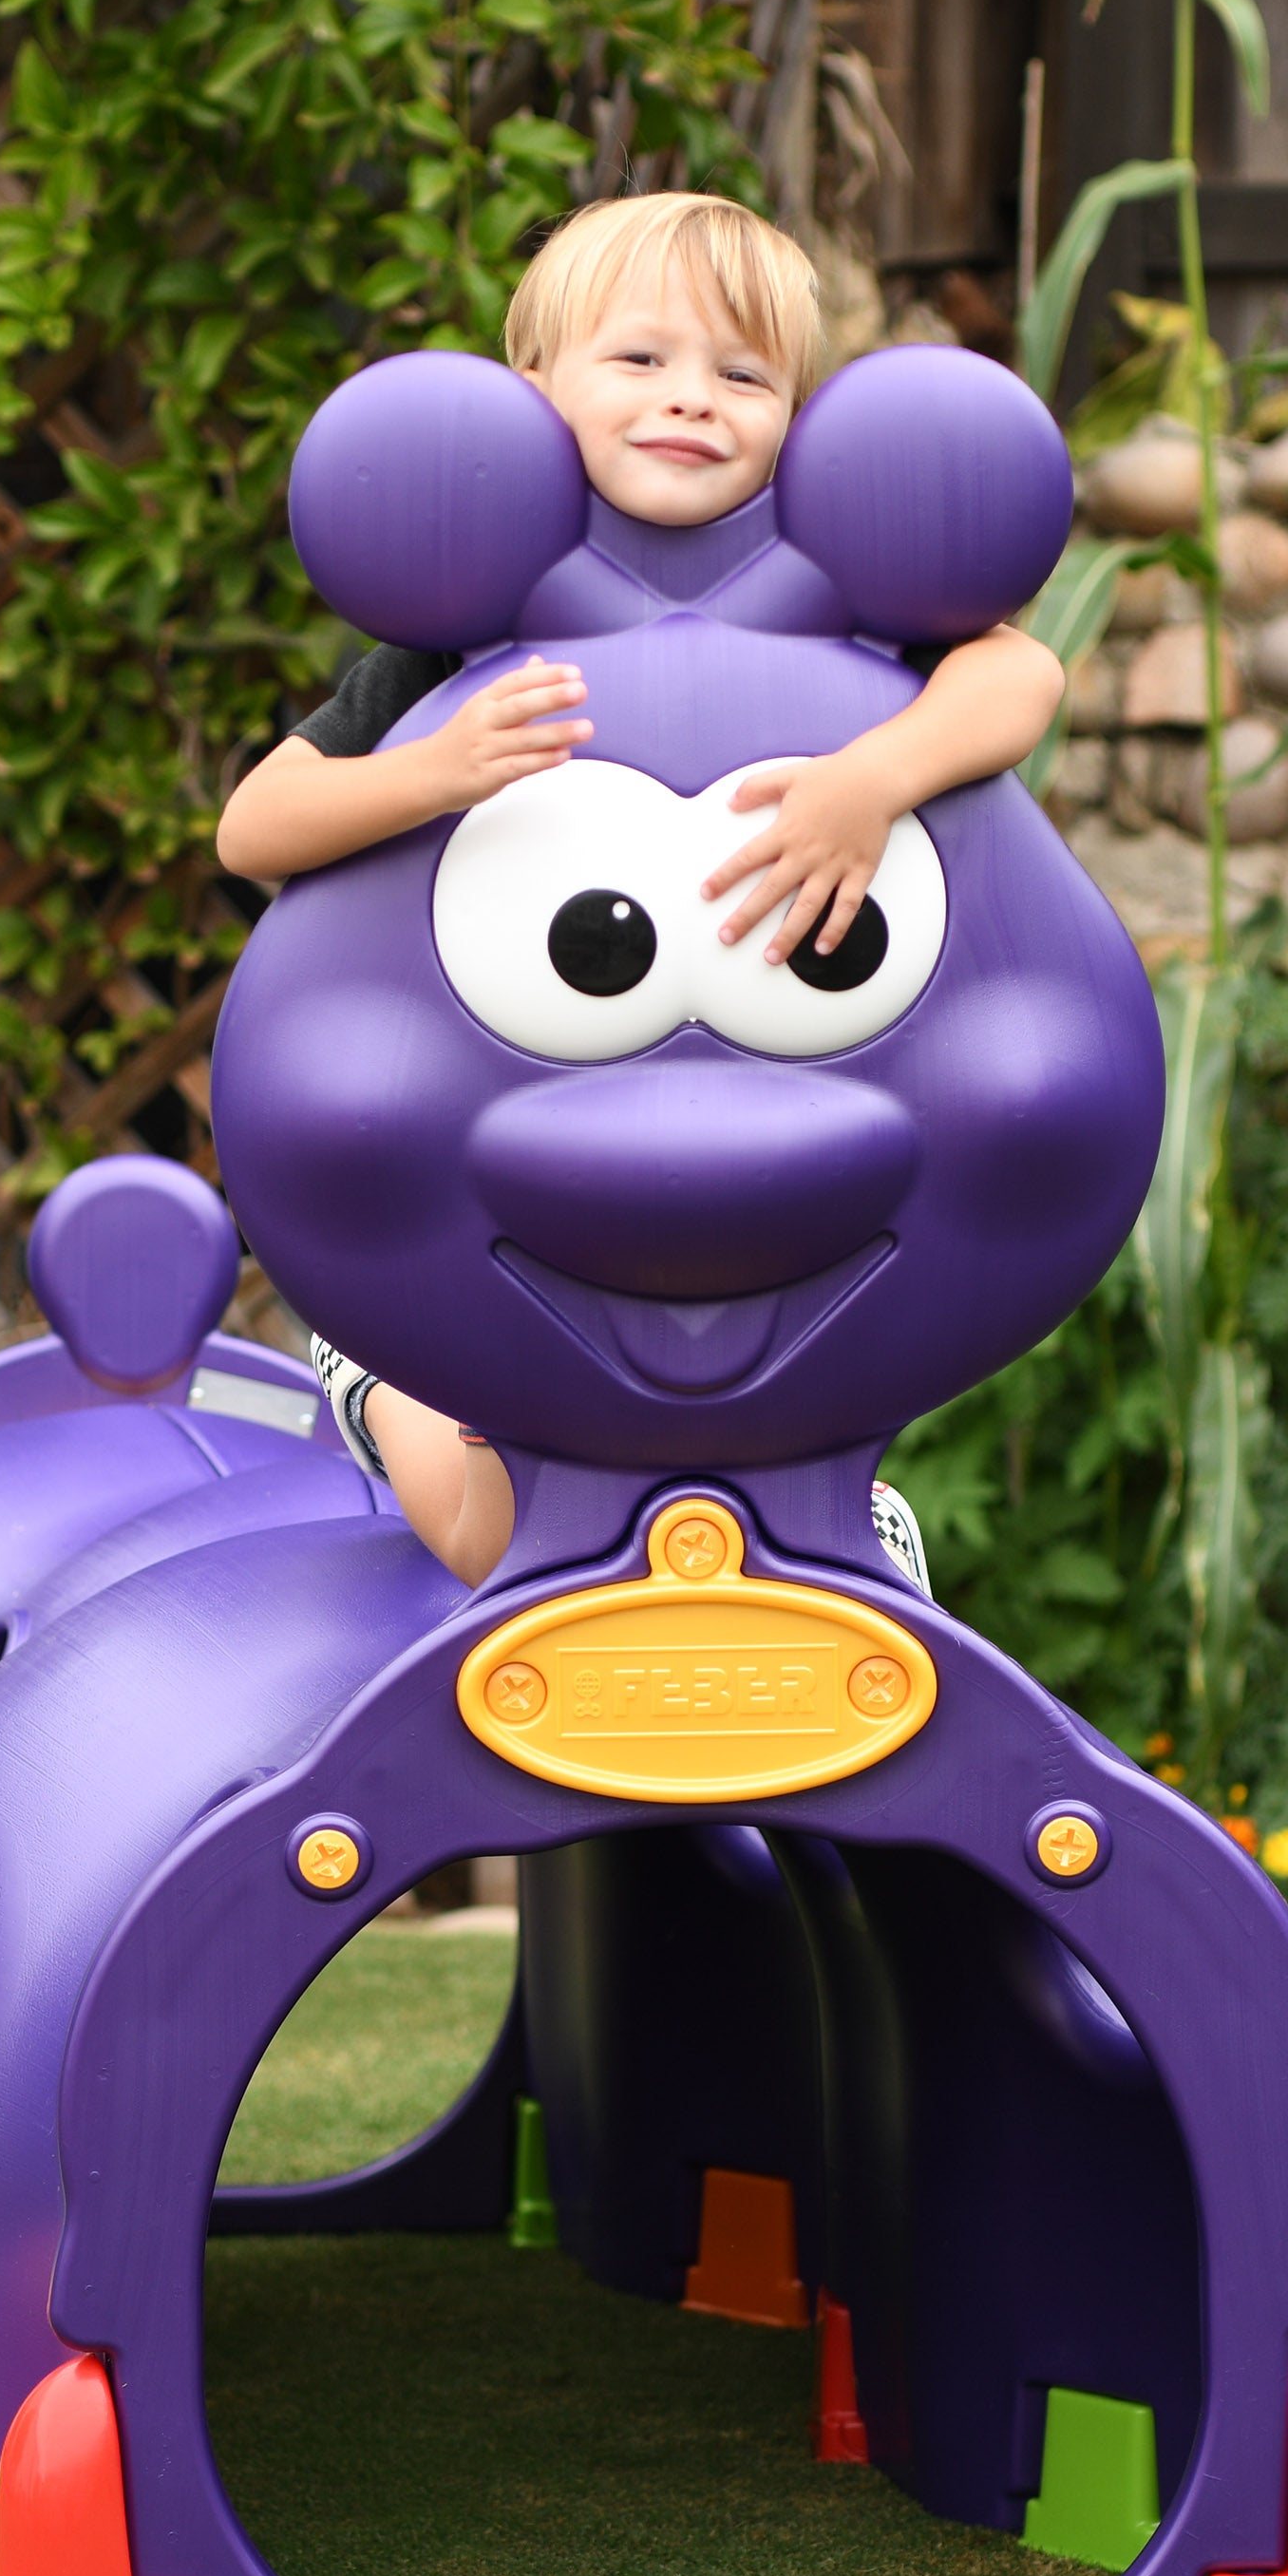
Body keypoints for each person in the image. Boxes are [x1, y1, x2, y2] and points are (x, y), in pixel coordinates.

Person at [215, 192, 1061, 1588]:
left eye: (745, 376)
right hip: (460, 1218)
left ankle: (837, 1527)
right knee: (500, 1545)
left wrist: (876, 777)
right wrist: (432, 772)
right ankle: (389, 1393)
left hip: (743, 1172)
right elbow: (257, 825)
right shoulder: (475, 626)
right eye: (642, 361)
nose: (693, 402)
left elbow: (1021, 673)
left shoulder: (839, 599)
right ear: (533, 396)